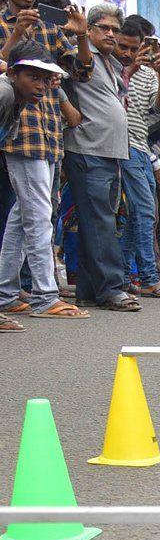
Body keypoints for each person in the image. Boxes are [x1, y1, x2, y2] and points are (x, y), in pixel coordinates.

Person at [0, 41, 84, 329]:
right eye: (32, 77)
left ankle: (6, 293)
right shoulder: (4, 93)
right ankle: (46, 296)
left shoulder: (19, 95)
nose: (40, 85)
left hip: (44, 146)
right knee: (37, 218)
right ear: (13, 73)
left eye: (46, 78)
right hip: (28, 148)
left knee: (21, 219)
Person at [64, 3, 141, 312]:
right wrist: (71, 113)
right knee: (101, 221)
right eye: (104, 28)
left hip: (108, 151)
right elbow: (54, 82)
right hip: (87, 147)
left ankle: (88, 289)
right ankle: (112, 288)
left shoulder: (108, 61)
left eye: (114, 29)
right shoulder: (79, 53)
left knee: (94, 221)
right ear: (89, 29)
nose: (111, 34)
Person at [114, 20, 160, 298]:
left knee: (138, 216)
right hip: (122, 144)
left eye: (136, 47)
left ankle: (126, 275)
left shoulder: (150, 74)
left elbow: (159, 110)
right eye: (124, 47)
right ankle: (149, 277)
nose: (129, 53)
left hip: (142, 147)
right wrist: (129, 69)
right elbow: (115, 99)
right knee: (143, 211)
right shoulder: (112, 67)